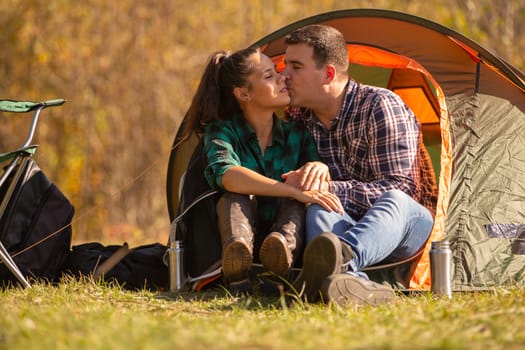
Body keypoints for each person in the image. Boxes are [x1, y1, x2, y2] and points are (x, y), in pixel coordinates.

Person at [280, 25, 435, 306]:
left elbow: (403, 188)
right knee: (319, 207)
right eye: (284, 66)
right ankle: (354, 285)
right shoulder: (297, 116)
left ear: (328, 74)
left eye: (296, 66)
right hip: (347, 222)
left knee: (393, 199)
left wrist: (329, 188)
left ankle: (337, 262)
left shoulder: (380, 106)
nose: (284, 75)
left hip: (402, 228)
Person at [183, 47, 343, 294]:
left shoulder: (296, 134)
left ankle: (277, 267)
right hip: (233, 233)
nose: (282, 79)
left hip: (284, 233)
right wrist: (287, 190)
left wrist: (319, 167)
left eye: (277, 72)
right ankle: (237, 267)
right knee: (234, 198)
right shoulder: (222, 131)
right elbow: (227, 175)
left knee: (297, 203)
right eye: (269, 76)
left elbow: (313, 182)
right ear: (243, 93)